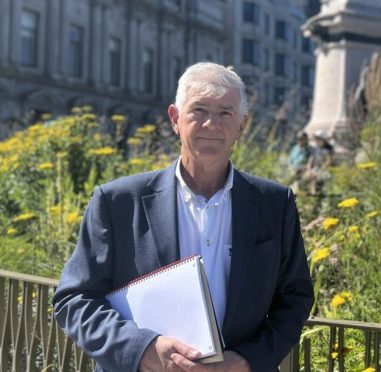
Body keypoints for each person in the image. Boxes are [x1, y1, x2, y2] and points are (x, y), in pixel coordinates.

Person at [52, 62, 314, 372]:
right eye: (199, 110)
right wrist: (142, 349)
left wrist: (246, 361)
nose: (211, 124)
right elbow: (74, 299)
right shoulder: (118, 202)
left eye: (225, 113)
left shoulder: (274, 204)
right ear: (175, 118)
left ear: (241, 126)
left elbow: (295, 299)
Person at [306, 130, 334, 195]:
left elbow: (328, 162)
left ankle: (318, 193)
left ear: (323, 140)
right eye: (316, 139)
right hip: (316, 168)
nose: (316, 141)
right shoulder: (315, 149)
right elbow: (310, 161)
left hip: (325, 169)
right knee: (307, 176)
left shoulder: (328, 149)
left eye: (318, 139)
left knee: (322, 177)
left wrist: (320, 171)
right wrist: (309, 170)